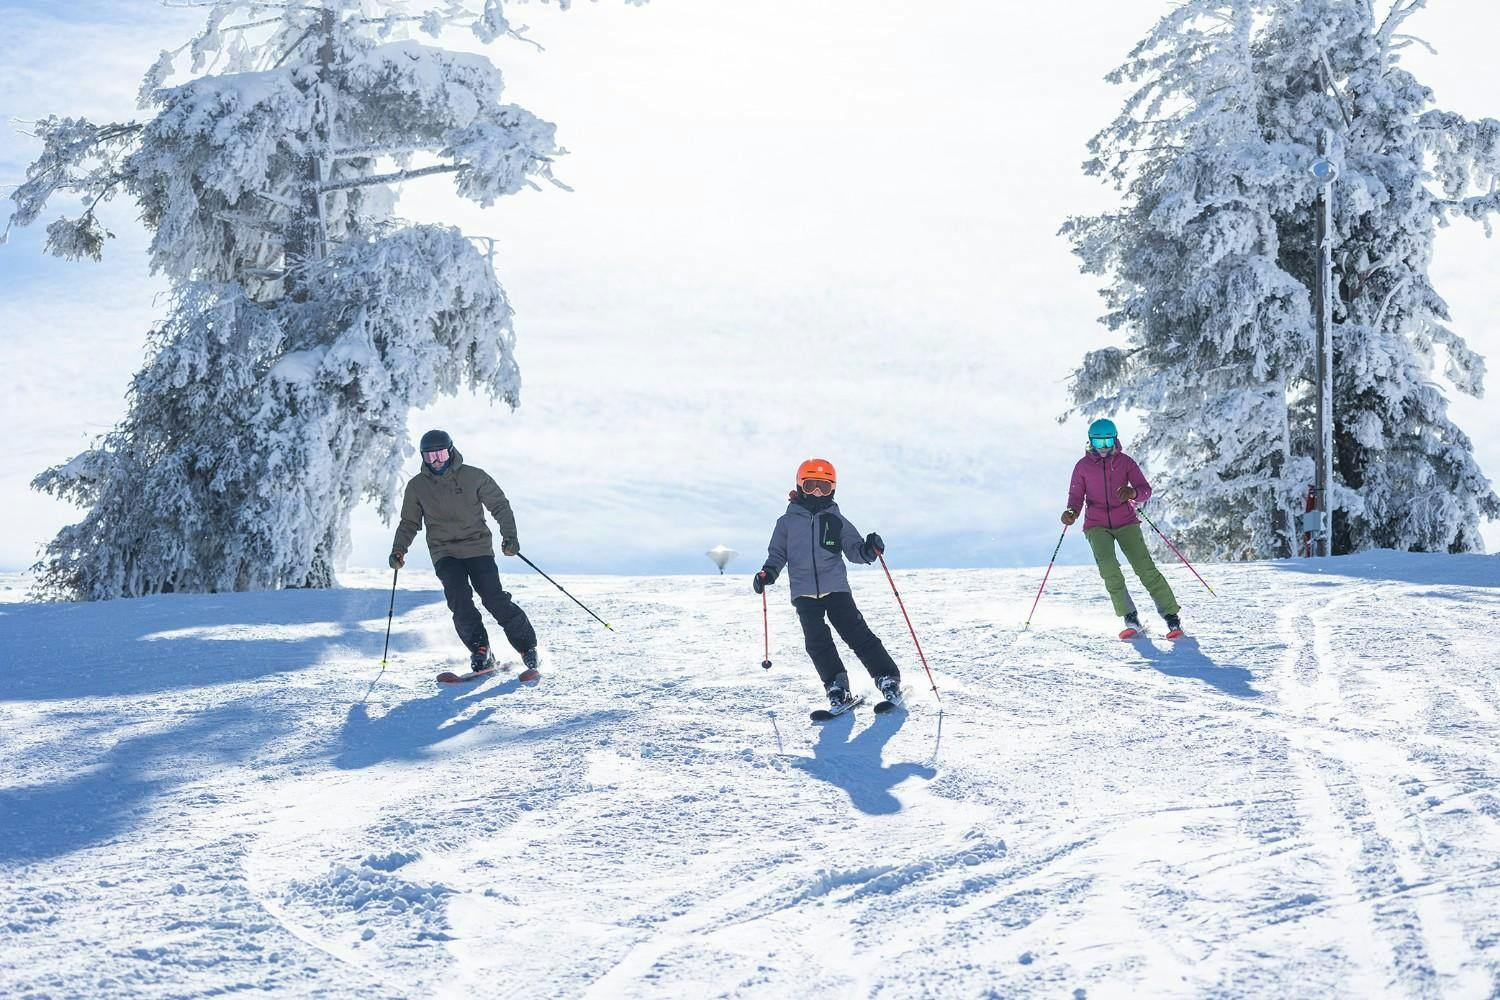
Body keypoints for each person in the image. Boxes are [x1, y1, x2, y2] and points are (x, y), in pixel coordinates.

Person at [389, 429, 540, 677]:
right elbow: (409, 523)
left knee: (493, 598)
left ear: (450, 451)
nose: (436, 460)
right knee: (459, 600)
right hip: (444, 551)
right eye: (429, 456)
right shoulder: (417, 487)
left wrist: (510, 536)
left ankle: (527, 648)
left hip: (477, 547)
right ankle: (481, 651)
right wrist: (398, 549)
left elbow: (500, 505)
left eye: (439, 454)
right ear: (424, 458)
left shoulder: (473, 476)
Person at [754, 459, 902, 711]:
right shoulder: (786, 523)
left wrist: (869, 549)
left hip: (836, 588)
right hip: (803, 592)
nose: (816, 493)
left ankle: (886, 677)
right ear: (800, 486)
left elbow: (855, 550)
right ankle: (837, 685)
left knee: (856, 634)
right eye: (811, 486)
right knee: (816, 641)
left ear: (832, 489)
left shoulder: (836, 520)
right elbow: (777, 554)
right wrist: (768, 574)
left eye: (823, 487)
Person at [1063, 418, 1183, 638]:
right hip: (1096, 524)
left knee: (1145, 569)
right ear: (1090, 442)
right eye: (1099, 443)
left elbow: (1145, 489)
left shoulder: (1125, 462)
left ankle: (1171, 618)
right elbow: (1076, 497)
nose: (1105, 447)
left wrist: (1133, 493)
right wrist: (1071, 512)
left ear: (1115, 439)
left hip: (1126, 521)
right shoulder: (1082, 467)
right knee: (1109, 570)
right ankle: (1130, 617)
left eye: (1108, 441)